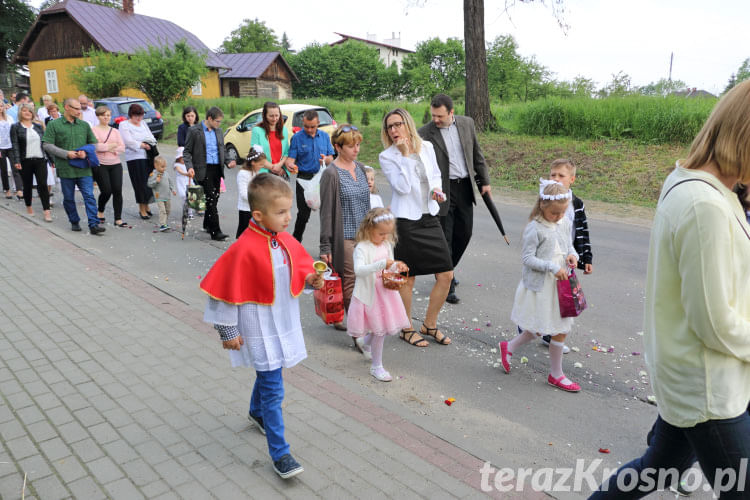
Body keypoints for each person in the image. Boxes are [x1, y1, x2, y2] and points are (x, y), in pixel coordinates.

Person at [589, 80, 750, 499]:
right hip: (709, 387)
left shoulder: (694, 184)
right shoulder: (706, 205)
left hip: (691, 376)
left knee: (653, 471)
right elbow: (713, 322)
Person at [201, 173, 323, 479]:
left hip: (281, 320)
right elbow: (223, 293)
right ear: (258, 215)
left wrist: (311, 279)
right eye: (281, 212)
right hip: (257, 326)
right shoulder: (242, 248)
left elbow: (300, 271)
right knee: (273, 387)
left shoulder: (284, 240)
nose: (288, 217)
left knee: (271, 371)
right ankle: (280, 453)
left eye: (289, 211)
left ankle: (256, 413)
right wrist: (227, 331)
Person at [379, 108, 453, 347]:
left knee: (446, 274)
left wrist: (436, 192)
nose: (394, 130)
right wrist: (404, 156)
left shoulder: (427, 147)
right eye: (389, 127)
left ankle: (429, 324)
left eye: (398, 124)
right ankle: (406, 327)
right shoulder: (388, 156)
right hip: (406, 221)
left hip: (429, 215)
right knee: (407, 278)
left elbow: (435, 176)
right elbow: (402, 188)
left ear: (407, 124)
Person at [500, 180, 580, 392]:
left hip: (561, 285)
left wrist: (573, 255)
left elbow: (568, 245)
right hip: (542, 286)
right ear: (543, 206)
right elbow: (527, 258)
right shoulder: (535, 228)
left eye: (562, 213)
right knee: (537, 328)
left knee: (560, 329)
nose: (559, 217)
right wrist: (551, 267)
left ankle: (556, 374)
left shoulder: (563, 223)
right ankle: (509, 346)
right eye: (555, 213)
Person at [418, 94, 491, 305]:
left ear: (451, 112)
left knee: (465, 233)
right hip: (442, 191)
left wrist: (484, 180)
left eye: (440, 116)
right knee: (446, 238)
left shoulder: (467, 124)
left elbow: (477, 153)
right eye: (433, 115)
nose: (436, 120)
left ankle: (446, 270)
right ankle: (446, 282)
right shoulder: (425, 133)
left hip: (465, 187)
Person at [535, 159, 593, 353]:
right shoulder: (544, 200)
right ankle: (531, 327)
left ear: (572, 179)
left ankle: (551, 335)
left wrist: (586, 259)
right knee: (544, 296)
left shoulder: (576, 204)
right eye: (553, 175)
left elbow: (582, 232)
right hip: (545, 258)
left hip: (567, 257)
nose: (556, 179)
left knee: (561, 298)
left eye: (561, 175)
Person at [347, 208, 410, 382]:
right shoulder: (362, 248)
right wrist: (382, 263)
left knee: (379, 327)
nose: (384, 237)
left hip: (385, 292)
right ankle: (377, 366)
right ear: (369, 229)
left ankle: (365, 342)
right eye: (381, 233)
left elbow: (388, 266)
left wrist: (396, 267)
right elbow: (359, 270)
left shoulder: (386, 244)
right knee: (379, 330)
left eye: (387, 234)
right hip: (369, 293)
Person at [319, 124, 371, 332]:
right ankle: (358, 331)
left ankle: (345, 316)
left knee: (365, 280)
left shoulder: (359, 168)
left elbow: (367, 204)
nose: (356, 149)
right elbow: (326, 212)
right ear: (338, 147)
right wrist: (325, 246)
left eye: (357, 144)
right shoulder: (331, 174)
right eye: (351, 146)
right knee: (350, 282)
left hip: (364, 236)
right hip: (346, 237)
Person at [42, 98, 104, 235]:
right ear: (67, 108)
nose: (79, 111)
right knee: (69, 198)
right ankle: (74, 221)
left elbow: (94, 144)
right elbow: (46, 144)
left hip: (84, 168)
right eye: (76, 108)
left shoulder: (84, 125)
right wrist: (66, 154)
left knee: (89, 196)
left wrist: (85, 151)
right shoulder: (54, 125)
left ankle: (94, 224)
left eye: (80, 108)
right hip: (66, 169)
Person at [184, 106, 236, 241]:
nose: (219, 124)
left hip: (217, 169)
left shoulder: (218, 131)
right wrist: (189, 167)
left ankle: (207, 224)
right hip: (203, 169)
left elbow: (222, 149)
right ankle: (215, 231)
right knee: (211, 199)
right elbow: (187, 152)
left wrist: (229, 161)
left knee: (215, 198)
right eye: (217, 121)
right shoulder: (194, 131)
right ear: (209, 118)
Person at [286, 109, 334, 242]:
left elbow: (331, 157)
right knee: (303, 214)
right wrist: (290, 165)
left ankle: (326, 247)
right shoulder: (297, 138)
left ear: (318, 123)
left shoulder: (324, 136)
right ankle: (295, 242)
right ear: (303, 123)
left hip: (322, 178)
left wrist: (326, 159)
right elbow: (291, 159)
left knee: (326, 214)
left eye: (313, 126)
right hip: (304, 180)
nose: (309, 129)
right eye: (306, 126)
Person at [10, 103, 52, 221]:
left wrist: (51, 159)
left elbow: (45, 143)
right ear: (20, 113)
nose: (27, 113)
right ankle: (28, 206)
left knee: (43, 185)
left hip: (40, 160)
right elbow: (15, 145)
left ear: (32, 113)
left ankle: (46, 211)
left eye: (29, 111)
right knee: (27, 185)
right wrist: (17, 160)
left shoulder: (38, 127)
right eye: (24, 111)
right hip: (25, 161)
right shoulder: (15, 127)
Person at [119, 103, 157, 220]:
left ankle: (147, 205)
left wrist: (149, 144)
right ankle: (142, 208)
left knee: (149, 182)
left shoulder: (143, 123)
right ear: (131, 115)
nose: (139, 118)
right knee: (140, 184)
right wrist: (141, 145)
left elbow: (151, 137)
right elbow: (128, 142)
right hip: (135, 158)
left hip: (147, 156)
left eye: (141, 116)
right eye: (136, 116)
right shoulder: (124, 124)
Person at [91, 105, 126, 227]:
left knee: (117, 190)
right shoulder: (94, 130)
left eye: (108, 115)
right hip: (101, 164)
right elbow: (96, 146)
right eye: (103, 115)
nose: (106, 117)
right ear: (98, 116)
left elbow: (122, 147)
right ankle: (100, 210)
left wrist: (112, 148)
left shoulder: (115, 131)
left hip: (115, 163)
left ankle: (118, 218)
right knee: (106, 190)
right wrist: (110, 146)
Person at [250, 102, 291, 177]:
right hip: (264, 174)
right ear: (265, 116)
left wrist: (279, 165)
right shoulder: (257, 131)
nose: (274, 119)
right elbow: (257, 154)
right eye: (271, 116)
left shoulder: (284, 130)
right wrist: (273, 168)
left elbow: (286, 153)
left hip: (281, 172)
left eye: (277, 115)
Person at [236, 145, 265, 239]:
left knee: (254, 232)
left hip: (254, 208)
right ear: (253, 162)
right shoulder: (243, 174)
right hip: (245, 208)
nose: (262, 167)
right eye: (260, 164)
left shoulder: (255, 173)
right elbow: (243, 194)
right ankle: (240, 250)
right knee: (244, 232)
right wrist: (257, 197)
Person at [147, 156, 175, 232]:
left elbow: (170, 181)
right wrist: (156, 181)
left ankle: (164, 222)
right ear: (155, 166)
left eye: (165, 166)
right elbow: (149, 184)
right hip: (159, 196)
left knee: (168, 210)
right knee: (162, 210)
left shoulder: (166, 173)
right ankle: (163, 224)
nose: (164, 168)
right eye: (162, 167)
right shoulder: (153, 174)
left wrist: (173, 189)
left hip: (167, 195)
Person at [0, 103, 22, 200]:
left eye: (1, 106)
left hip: (11, 146)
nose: (0, 108)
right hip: (1, 147)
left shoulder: (9, 118)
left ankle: (19, 190)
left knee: (16, 167)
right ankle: (7, 190)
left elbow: (14, 131)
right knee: (4, 170)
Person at [173, 147, 193, 220]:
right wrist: (186, 173)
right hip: (181, 182)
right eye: (181, 158)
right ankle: (185, 211)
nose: (183, 160)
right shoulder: (177, 165)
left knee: (191, 197)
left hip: (189, 181)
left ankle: (190, 213)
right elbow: (180, 171)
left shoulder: (188, 164)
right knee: (184, 197)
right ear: (178, 158)